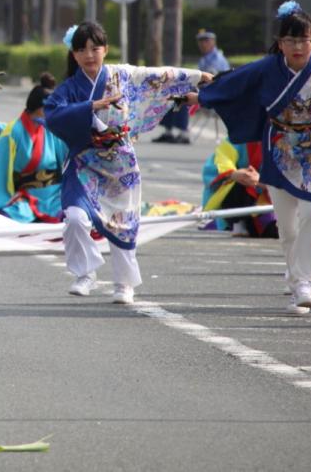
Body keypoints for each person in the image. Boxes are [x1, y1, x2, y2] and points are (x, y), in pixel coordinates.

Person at [44, 22, 211, 304]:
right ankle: (84, 273)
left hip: (120, 162)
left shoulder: (124, 75)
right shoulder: (69, 88)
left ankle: (123, 284)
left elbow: (160, 76)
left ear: (105, 49)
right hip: (84, 163)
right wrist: (90, 107)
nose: (89, 55)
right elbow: (53, 114)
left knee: (123, 224)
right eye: (81, 49)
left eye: (95, 48)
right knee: (74, 217)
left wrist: (198, 77)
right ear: (73, 55)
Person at [193, 1, 311, 314]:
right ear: (280, 43)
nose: (297, 46)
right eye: (290, 40)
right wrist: (201, 95)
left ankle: (306, 284)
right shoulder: (267, 69)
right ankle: (295, 274)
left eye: (304, 40)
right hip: (280, 153)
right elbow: (233, 83)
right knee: (287, 227)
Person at [0, 73, 69, 223]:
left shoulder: (53, 128)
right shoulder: (13, 133)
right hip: (25, 197)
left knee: (76, 215)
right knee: (11, 217)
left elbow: (67, 160)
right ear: (39, 108)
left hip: (54, 195)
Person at [154, 28, 231, 144]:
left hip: (214, 93)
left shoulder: (217, 60)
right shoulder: (205, 58)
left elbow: (218, 82)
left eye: (206, 40)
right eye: (200, 41)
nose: (203, 44)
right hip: (203, 90)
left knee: (183, 95)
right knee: (171, 91)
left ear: (213, 41)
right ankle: (168, 131)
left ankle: (183, 132)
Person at [200, 140, 276, 238]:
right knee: (237, 181)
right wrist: (233, 174)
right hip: (242, 196)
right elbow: (218, 163)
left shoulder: (280, 140)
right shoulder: (235, 139)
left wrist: (262, 182)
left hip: (269, 197)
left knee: (274, 230)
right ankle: (238, 221)